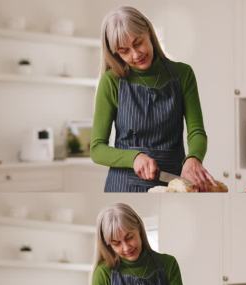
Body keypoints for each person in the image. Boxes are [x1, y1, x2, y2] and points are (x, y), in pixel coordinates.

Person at [90, 6, 217, 192]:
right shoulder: (111, 81)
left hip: (173, 185)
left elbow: (196, 131)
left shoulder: (183, 74)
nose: (135, 54)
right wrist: (133, 158)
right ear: (116, 53)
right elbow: (96, 149)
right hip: (124, 186)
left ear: (149, 32)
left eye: (138, 43)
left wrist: (193, 158)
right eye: (124, 51)